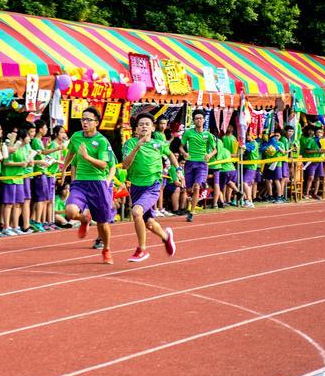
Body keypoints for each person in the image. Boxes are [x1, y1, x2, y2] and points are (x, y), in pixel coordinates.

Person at [61, 107, 117, 264]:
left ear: (96, 122)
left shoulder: (102, 141)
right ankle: (84, 219)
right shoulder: (76, 137)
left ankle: (106, 249)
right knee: (70, 211)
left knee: (102, 222)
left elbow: (104, 165)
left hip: (98, 183)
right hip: (80, 182)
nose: (84, 122)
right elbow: (71, 153)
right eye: (83, 119)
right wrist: (64, 168)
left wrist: (87, 157)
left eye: (88, 120)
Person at [121, 113, 177, 262]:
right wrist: (137, 147)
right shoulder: (130, 143)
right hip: (136, 187)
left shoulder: (158, 144)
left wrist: (178, 171)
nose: (144, 126)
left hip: (153, 186)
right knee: (149, 223)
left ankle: (141, 250)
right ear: (136, 129)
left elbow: (171, 155)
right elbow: (125, 165)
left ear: (153, 128)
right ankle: (166, 237)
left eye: (147, 124)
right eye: (141, 124)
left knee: (136, 212)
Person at [179, 110, 217, 222]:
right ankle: (192, 198)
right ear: (193, 120)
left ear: (204, 120)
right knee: (189, 189)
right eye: (196, 118)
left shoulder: (208, 135)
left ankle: (191, 212)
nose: (199, 120)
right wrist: (184, 153)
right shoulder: (188, 133)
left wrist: (209, 155)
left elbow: (215, 150)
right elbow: (180, 147)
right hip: (190, 163)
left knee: (196, 187)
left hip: (202, 164)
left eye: (200, 118)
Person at [241, 129, 260, 208]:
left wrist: (242, 145)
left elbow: (246, 147)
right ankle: (248, 200)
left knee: (245, 183)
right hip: (249, 166)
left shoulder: (253, 143)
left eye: (248, 135)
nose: (246, 136)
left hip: (251, 166)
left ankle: (249, 200)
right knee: (248, 184)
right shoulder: (252, 143)